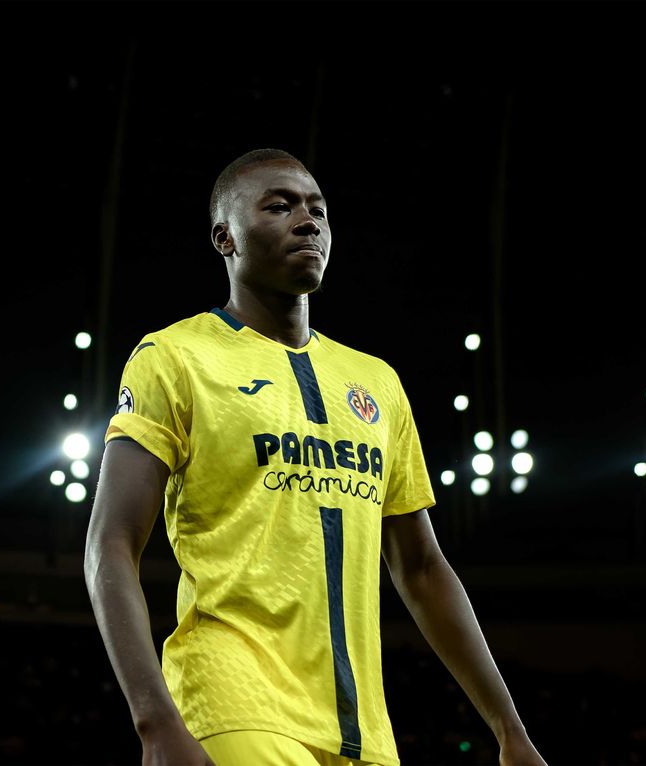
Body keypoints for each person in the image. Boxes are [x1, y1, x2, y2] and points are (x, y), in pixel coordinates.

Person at [83, 148, 547, 766]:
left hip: (364, 732)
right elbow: (111, 542)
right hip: (233, 702)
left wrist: (510, 730)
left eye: (319, 211)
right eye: (279, 207)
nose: (308, 221)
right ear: (224, 237)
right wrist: (154, 720)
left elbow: (422, 569)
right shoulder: (174, 358)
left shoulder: (376, 383)